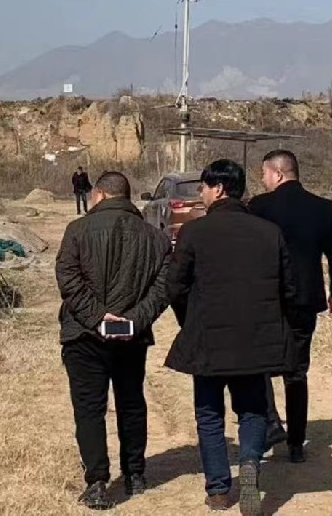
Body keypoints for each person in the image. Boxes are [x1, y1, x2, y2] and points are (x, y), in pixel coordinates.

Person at [130, 159, 297, 515]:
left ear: (218, 189)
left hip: (207, 338)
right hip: (255, 339)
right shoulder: (269, 232)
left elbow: (175, 287)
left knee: (209, 415)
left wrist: (189, 321)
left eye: (203, 187)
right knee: (252, 409)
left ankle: (219, 490)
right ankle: (249, 463)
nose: (201, 194)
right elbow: (289, 289)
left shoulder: (194, 233)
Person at [55, 171, 171, 509]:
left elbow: (68, 279)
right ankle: (135, 473)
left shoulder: (77, 230)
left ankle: (96, 481)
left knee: (89, 409)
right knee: (131, 403)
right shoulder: (156, 238)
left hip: (83, 335)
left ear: (100, 195)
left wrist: (97, 318)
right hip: (131, 337)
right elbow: (162, 289)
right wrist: (133, 320)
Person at [248, 149, 332, 463]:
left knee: (259, 364)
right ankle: (295, 445)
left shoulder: (259, 206)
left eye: (264, 174)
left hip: (268, 299)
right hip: (306, 298)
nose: (263, 180)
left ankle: (270, 422)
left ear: (277, 173)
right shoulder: (323, 207)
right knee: (297, 371)